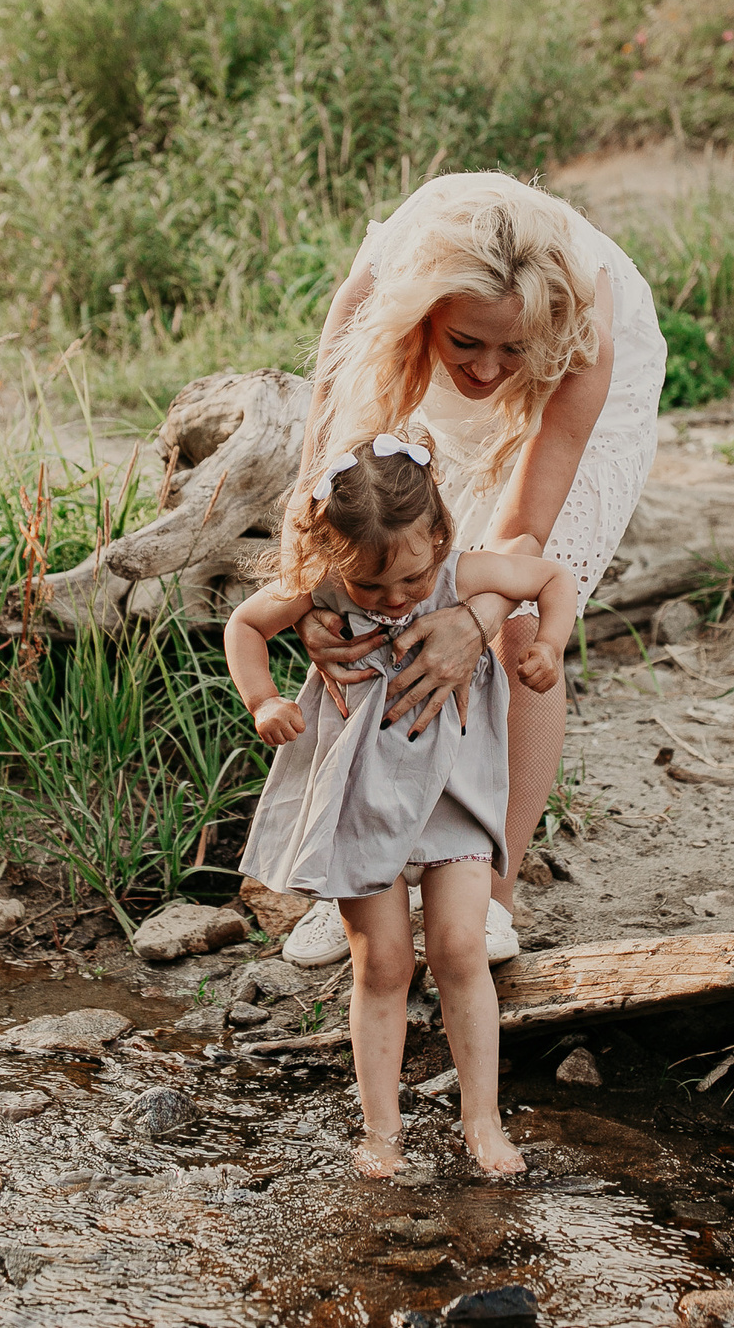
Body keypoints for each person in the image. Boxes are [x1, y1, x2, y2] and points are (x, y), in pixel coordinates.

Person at [276, 173, 665, 972]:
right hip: (417, 356)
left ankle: (491, 890)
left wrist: (477, 618)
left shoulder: (582, 333)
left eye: (506, 350)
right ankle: (357, 870)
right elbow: (321, 489)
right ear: (428, 317)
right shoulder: (384, 300)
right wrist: (310, 597)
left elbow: (523, 536)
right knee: (379, 584)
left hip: (577, 391)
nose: (487, 372)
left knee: (517, 626)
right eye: (467, 344)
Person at [227, 430, 578, 1177]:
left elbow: (553, 577)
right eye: (371, 586)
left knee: (460, 947)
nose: (395, 599)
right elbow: (245, 624)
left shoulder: (460, 572)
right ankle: (381, 1130)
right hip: (363, 800)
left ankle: (482, 1120)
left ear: (439, 535)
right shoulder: (321, 585)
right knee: (382, 962)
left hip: (454, 793)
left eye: (412, 579)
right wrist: (262, 700)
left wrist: (548, 643)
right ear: (332, 558)